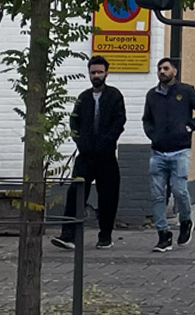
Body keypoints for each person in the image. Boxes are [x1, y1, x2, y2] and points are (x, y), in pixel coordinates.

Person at [52, 55, 126, 250]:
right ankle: (68, 236)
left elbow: (119, 122)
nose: (96, 76)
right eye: (93, 72)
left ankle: (105, 236)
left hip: (106, 156)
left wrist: (106, 141)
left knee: (108, 196)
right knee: (75, 193)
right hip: (85, 156)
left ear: (106, 73)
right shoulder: (83, 97)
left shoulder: (114, 96)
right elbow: (74, 121)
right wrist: (80, 141)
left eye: (100, 72)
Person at [142, 56, 195, 252]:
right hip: (158, 151)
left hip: (180, 150)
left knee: (180, 190)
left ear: (174, 71)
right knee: (157, 195)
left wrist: (190, 127)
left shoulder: (186, 91)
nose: (162, 72)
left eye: (165, 68)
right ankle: (163, 234)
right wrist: (152, 134)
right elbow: (147, 119)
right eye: (159, 69)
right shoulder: (152, 95)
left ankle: (186, 220)